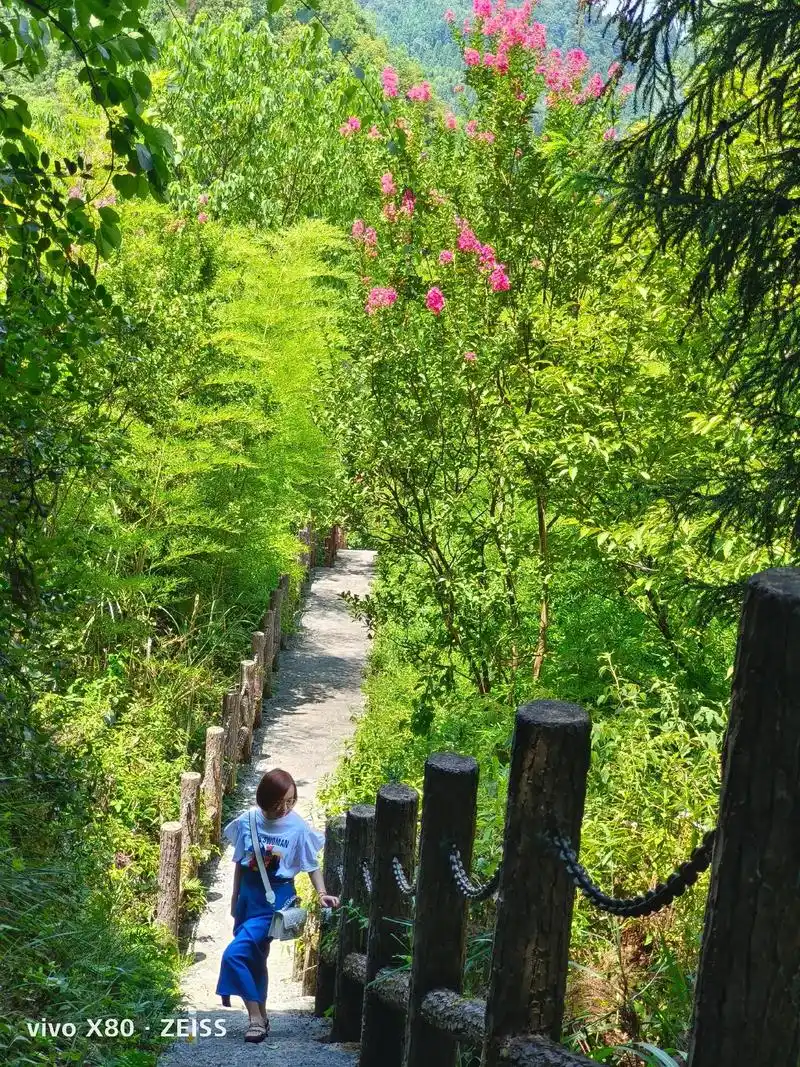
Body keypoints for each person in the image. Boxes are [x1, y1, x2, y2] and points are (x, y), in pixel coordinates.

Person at [216, 768, 340, 1043]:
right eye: (280, 801)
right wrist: (235, 898)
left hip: (277, 900)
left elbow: (310, 864)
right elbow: (239, 862)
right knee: (256, 957)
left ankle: (254, 1018)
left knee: (235, 954)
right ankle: (262, 1013)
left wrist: (322, 894)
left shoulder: (297, 827)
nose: (285, 808)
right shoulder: (247, 821)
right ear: (265, 798)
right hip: (249, 897)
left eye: (291, 801)